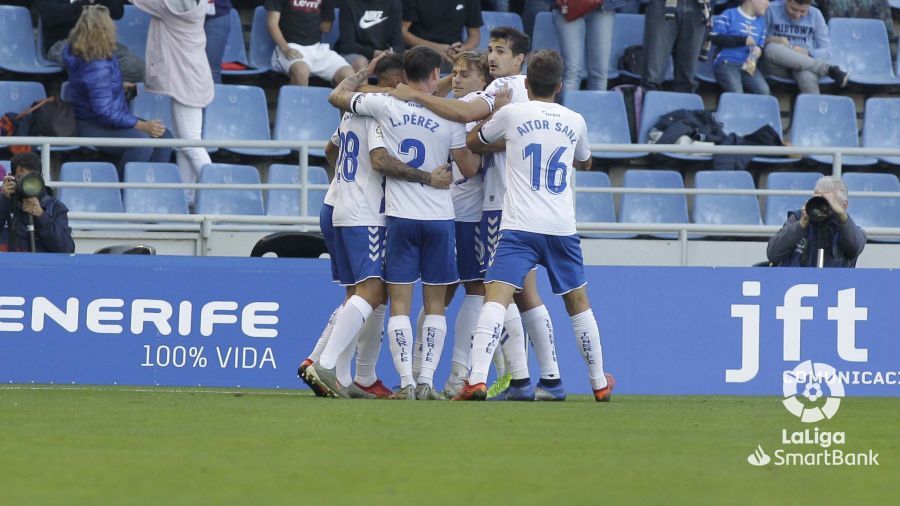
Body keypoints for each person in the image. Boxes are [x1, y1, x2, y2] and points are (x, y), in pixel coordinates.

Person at [391, 27, 567, 402]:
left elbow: (468, 122)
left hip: (494, 209)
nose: (492, 56)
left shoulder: (497, 92)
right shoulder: (527, 95)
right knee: (516, 294)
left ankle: (469, 376)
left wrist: (413, 96)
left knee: (489, 291)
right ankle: (535, 379)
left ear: (520, 59)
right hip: (517, 207)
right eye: (490, 49)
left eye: (500, 51)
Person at [320, 46, 481, 400]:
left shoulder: (385, 106)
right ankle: (426, 381)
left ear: (404, 76)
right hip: (439, 219)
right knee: (435, 305)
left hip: (398, 219)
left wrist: (369, 74)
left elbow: (338, 97)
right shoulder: (451, 117)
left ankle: (404, 381)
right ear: (436, 75)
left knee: (398, 306)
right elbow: (467, 168)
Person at [455, 50, 614, 402]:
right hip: (560, 226)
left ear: (527, 83)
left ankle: (477, 379)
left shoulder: (513, 113)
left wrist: (501, 121)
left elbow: (473, 142)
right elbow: (585, 162)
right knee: (578, 302)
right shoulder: (575, 120)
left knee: (495, 296)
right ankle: (599, 382)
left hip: (519, 226)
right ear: (560, 85)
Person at [62, 5, 173, 179]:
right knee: (142, 144)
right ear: (103, 31)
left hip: (104, 120)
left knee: (165, 136)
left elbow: (96, 88)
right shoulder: (96, 64)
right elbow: (104, 111)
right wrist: (142, 126)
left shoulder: (93, 55)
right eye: (111, 25)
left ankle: (152, 188)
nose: (116, 27)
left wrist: (116, 85)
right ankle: (123, 191)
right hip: (93, 125)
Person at [132, 0, 215, 207]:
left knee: (191, 144)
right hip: (191, 77)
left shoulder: (169, 7)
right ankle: (188, 199)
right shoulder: (192, 4)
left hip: (186, 81)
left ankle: (218, 194)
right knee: (183, 144)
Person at [767, 176, 865, 267]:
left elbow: (854, 247)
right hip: (797, 280)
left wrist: (842, 217)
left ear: (844, 205)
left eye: (828, 202)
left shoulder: (848, 230)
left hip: (835, 283)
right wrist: (800, 225)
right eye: (818, 200)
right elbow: (773, 254)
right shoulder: (798, 218)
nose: (822, 206)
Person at [38, 0, 146, 83]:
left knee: (140, 70)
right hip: (63, 43)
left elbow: (117, 12)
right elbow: (52, 16)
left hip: (100, 43)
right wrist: (87, 3)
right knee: (95, 68)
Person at [761, 0, 849, 94]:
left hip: (805, 66)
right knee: (771, 49)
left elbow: (827, 52)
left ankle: (813, 108)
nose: (797, 15)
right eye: (793, 9)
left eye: (803, 11)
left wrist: (808, 52)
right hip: (778, 66)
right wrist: (775, 40)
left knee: (807, 75)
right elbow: (758, 41)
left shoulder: (815, 15)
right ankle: (827, 69)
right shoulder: (771, 9)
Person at [552, 0, 638, 93]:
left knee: (598, 73)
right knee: (572, 72)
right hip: (569, 6)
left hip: (602, 7)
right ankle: (568, 107)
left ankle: (595, 107)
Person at [265, 0, 354, 86]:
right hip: (289, 46)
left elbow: (326, 27)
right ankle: (296, 101)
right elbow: (272, 23)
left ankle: (329, 101)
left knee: (349, 75)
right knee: (301, 71)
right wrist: (285, 48)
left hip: (317, 48)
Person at [0, 153, 75, 254]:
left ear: (41, 179)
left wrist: (41, 216)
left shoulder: (54, 207)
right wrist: (3, 201)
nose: (28, 184)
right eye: (21, 178)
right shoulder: (5, 203)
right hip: (9, 266)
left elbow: (67, 249)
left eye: (32, 179)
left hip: (42, 267)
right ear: (12, 178)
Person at [642, 0, 710, 93]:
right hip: (662, 4)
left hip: (699, 6)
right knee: (652, 75)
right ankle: (650, 106)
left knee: (687, 76)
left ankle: (683, 105)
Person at [402, 0, 483, 70]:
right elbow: (402, 32)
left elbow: (474, 36)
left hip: (452, 56)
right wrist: (436, 48)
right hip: (418, 55)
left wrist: (463, 48)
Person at [710, 0, 770, 95]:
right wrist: (742, 40)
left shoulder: (761, 23)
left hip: (748, 67)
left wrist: (759, 50)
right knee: (736, 92)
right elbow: (714, 37)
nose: (768, 4)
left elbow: (761, 44)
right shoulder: (729, 14)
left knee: (764, 91)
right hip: (726, 63)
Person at [336, 0, 404, 72]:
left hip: (383, 54)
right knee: (361, 62)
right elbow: (348, 45)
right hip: (355, 54)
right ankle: (363, 83)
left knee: (409, 60)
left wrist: (393, 53)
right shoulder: (349, 4)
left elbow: (398, 41)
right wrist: (374, 53)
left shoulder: (394, 3)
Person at [204, 0, 233, 84]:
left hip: (217, 13)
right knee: (180, 70)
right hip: (182, 14)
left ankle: (216, 97)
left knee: (211, 72)